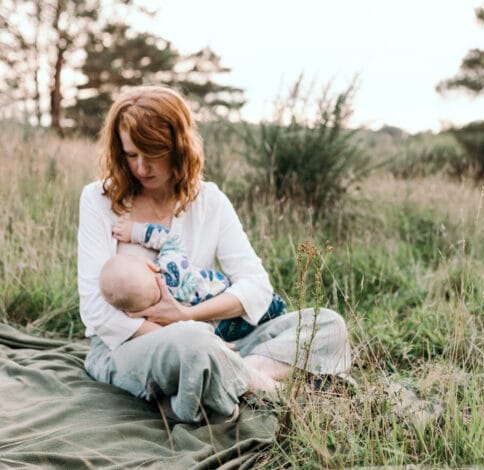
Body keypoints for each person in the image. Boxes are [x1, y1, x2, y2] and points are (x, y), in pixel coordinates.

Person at [77, 85, 351, 423]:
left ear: (178, 148)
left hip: (212, 335)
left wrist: (187, 316)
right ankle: (272, 391)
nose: (142, 167)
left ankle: (237, 374)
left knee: (328, 325)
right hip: (135, 345)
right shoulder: (98, 201)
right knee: (193, 345)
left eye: (154, 153)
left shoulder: (209, 200)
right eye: (132, 154)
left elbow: (256, 286)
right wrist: (181, 330)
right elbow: (95, 311)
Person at [99, 219, 287, 340]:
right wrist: (136, 231)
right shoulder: (171, 265)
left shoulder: (147, 314)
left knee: (249, 334)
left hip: (218, 330)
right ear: (149, 265)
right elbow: (170, 239)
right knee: (272, 309)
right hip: (225, 299)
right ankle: (279, 319)